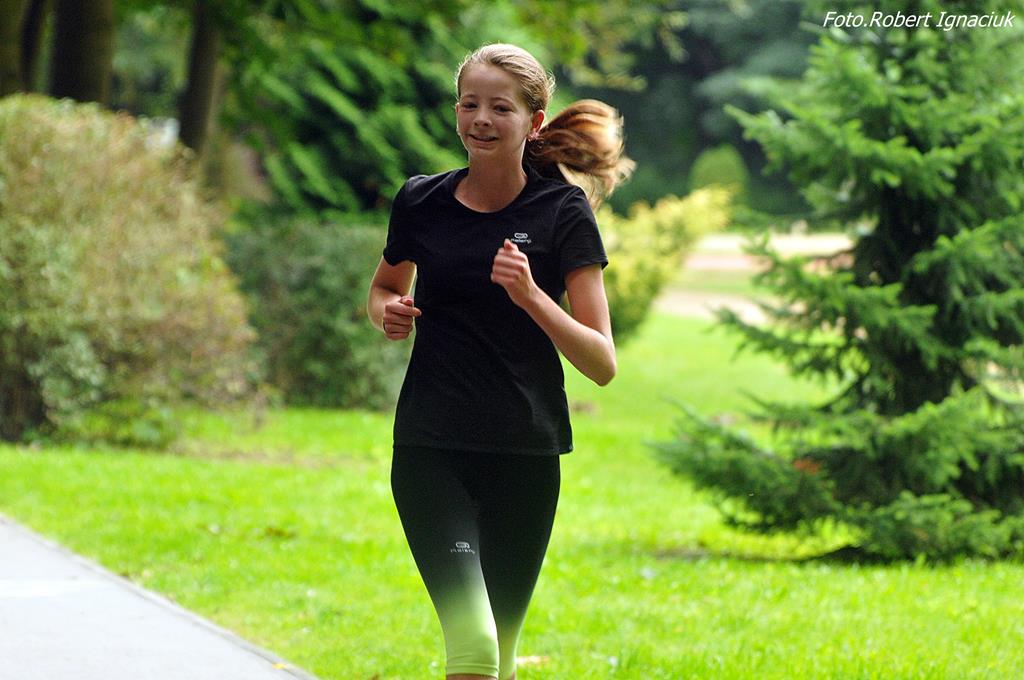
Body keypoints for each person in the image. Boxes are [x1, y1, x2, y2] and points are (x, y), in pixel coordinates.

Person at [366, 42, 633, 680]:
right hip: (433, 450)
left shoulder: (562, 213)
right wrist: (389, 312)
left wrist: (533, 296)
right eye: (469, 104)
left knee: (499, 658)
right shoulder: (422, 201)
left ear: (533, 122)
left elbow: (602, 361)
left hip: (525, 457)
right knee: (475, 645)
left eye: (500, 108)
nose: (481, 119)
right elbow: (384, 287)